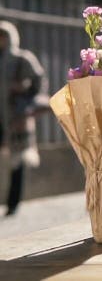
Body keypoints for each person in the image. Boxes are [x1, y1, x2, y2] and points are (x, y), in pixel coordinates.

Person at [0, 21, 46, 216]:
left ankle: (12, 203)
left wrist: (27, 96)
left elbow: (39, 80)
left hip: (15, 117)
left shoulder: (22, 59)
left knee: (17, 161)